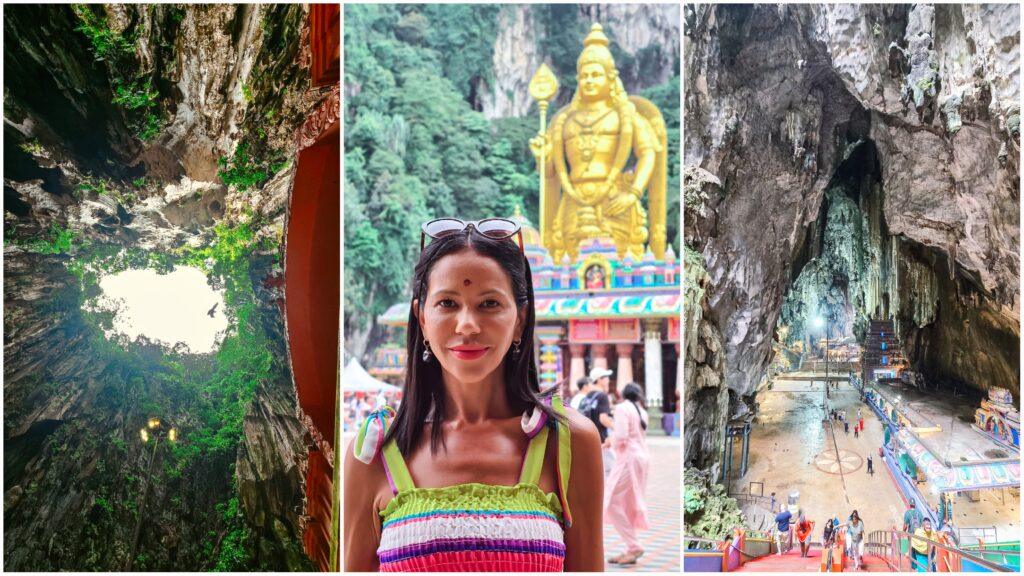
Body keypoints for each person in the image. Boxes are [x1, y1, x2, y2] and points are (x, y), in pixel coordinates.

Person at [343, 218, 604, 571]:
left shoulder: (568, 441)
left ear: (520, 320)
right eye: (448, 303)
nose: (467, 324)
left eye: (489, 304)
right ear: (422, 319)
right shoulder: (376, 452)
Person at [604, 383, 650, 565]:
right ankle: (629, 547)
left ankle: (634, 546)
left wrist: (610, 432)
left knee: (612, 500)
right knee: (627, 501)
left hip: (628, 458)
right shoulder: (640, 410)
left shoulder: (623, 408)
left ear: (622, 394)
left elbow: (621, 436)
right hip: (641, 457)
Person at [579, 367, 615, 474]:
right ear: (600, 379)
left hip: (590, 438)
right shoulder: (603, 396)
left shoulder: (586, 397)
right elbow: (603, 419)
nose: (608, 380)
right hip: (602, 439)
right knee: (609, 471)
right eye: (606, 377)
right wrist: (616, 427)